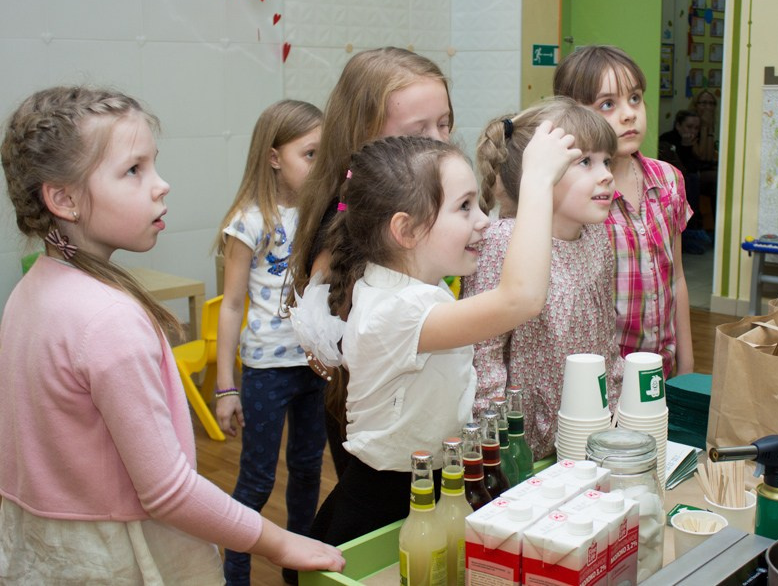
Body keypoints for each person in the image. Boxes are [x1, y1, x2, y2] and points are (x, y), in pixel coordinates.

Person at [0, 86, 344, 584]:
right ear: (64, 199)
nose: (162, 185)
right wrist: (280, 542)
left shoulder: (30, 291)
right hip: (119, 553)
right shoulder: (107, 321)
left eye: (154, 165)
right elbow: (167, 491)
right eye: (133, 170)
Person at [308, 126, 578, 545]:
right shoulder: (396, 312)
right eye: (465, 207)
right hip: (386, 501)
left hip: (431, 482)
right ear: (407, 230)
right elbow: (521, 298)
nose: (484, 221)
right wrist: (538, 180)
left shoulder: (418, 292)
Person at [287, 47, 454, 480]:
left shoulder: (428, 202)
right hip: (379, 438)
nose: (438, 142)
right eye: (420, 130)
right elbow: (322, 348)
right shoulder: (345, 224)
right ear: (365, 135)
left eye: (445, 124)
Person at [465, 98, 624, 458]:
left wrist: (613, 405)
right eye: (585, 161)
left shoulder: (597, 236)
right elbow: (484, 353)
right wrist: (501, 440)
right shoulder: (503, 242)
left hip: (589, 427)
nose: (606, 174)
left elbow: (604, 334)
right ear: (538, 174)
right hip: (523, 443)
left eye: (606, 160)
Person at [212, 99, 326, 586]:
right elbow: (232, 305)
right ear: (275, 157)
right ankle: (234, 572)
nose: (321, 165)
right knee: (258, 480)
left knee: (306, 472)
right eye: (311, 154)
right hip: (266, 370)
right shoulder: (249, 220)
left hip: (316, 365)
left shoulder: (323, 212)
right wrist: (225, 386)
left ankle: (294, 567)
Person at [554, 45, 694, 377]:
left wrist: (687, 363)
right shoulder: (574, 197)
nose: (629, 114)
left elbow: (677, 278)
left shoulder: (669, 180)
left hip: (664, 369)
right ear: (574, 115)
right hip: (601, 377)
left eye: (634, 98)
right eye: (607, 104)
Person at [659, 110, 715, 254]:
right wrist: (685, 147)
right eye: (689, 127)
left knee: (715, 181)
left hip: (691, 177)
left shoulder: (695, 140)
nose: (693, 131)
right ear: (678, 125)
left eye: (696, 128)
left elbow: (701, 162)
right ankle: (691, 228)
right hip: (673, 181)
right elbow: (678, 168)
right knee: (692, 180)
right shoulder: (668, 140)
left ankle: (710, 229)